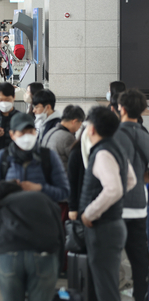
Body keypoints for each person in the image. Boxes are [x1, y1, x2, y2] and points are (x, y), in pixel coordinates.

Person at [80, 106, 136, 301]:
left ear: (92, 129)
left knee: (105, 289)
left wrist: (90, 213)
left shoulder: (102, 153)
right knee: (106, 283)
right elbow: (131, 180)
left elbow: (114, 189)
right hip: (114, 225)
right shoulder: (116, 148)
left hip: (103, 227)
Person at [0, 181, 64, 301]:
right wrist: (58, 266)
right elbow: (60, 232)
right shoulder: (42, 198)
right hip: (43, 255)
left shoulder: (1, 205)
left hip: (9, 255)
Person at [113, 89, 149, 301]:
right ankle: (140, 296)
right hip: (138, 205)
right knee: (139, 256)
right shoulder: (145, 135)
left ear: (121, 108)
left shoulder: (113, 135)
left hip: (115, 205)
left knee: (112, 255)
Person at [0, 112, 70, 203]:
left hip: (42, 214)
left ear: (35, 132)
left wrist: (40, 188)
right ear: (12, 134)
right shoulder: (3, 157)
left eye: (30, 132)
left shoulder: (49, 156)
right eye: (22, 132)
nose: (27, 137)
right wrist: (7, 189)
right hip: (11, 215)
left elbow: (64, 192)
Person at [41, 105, 85, 172]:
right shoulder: (67, 137)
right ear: (74, 121)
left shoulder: (50, 132)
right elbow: (77, 161)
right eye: (80, 124)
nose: (79, 127)